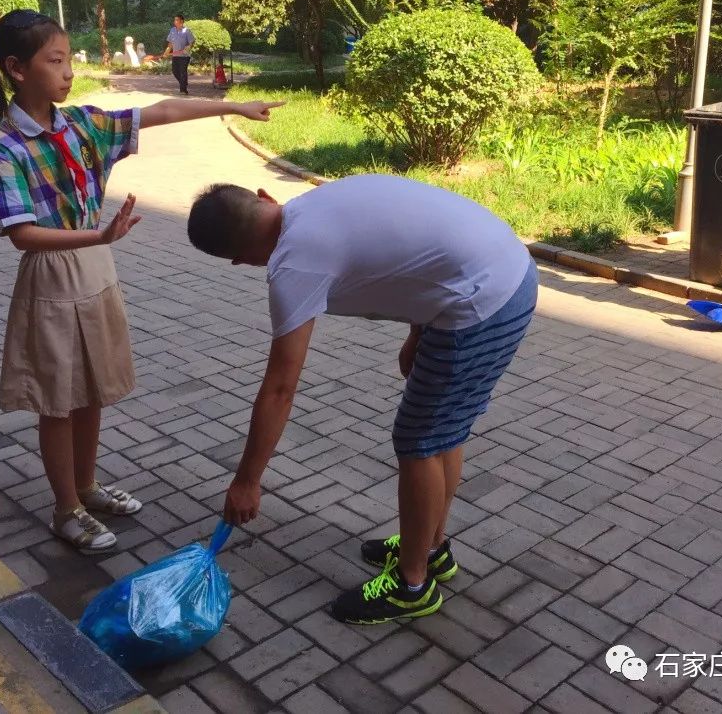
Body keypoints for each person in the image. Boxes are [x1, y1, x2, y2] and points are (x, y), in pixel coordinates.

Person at [0, 9, 282, 552]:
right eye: (57, 61)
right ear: (17, 69)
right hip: (54, 276)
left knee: (91, 388)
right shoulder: (6, 150)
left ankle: (87, 488)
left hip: (97, 265)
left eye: (68, 60)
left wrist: (232, 104)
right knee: (58, 401)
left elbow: (159, 110)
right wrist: (99, 237)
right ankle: (65, 508)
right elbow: (23, 235)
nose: (68, 72)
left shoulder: (81, 123)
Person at [186, 175, 537, 624]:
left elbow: (280, 388)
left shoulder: (295, 264)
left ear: (240, 261)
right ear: (263, 197)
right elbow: (417, 250)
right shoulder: (316, 203)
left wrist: (247, 481)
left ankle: (412, 585)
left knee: (419, 440)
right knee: (441, 431)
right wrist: (420, 328)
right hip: (506, 271)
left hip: (482, 302)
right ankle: (430, 548)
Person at [164, 14, 196, 95]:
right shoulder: (172, 30)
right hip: (175, 56)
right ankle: (184, 83)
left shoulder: (187, 31)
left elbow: (192, 42)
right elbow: (170, 43)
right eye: (174, 20)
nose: (175, 21)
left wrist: (188, 47)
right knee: (175, 71)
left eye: (176, 20)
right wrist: (166, 52)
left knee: (183, 72)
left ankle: (183, 90)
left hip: (185, 56)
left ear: (181, 21)